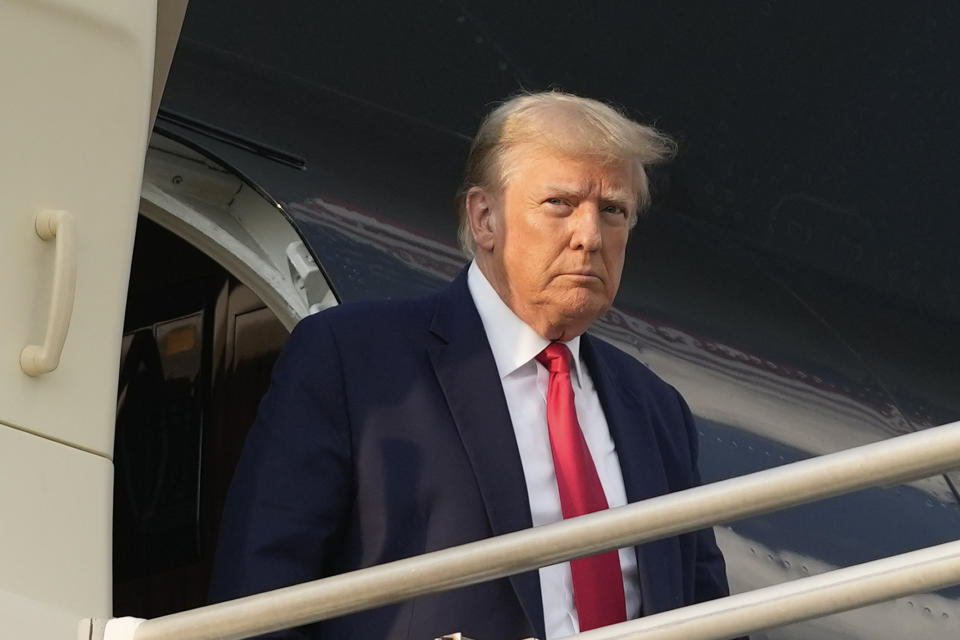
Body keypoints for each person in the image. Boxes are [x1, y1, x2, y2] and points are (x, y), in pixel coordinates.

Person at [210, 91, 734, 639]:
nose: (590, 237)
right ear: (485, 218)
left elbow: (711, 615)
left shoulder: (654, 408)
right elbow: (256, 598)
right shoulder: (353, 359)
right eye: (560, 203)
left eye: (613, 211)